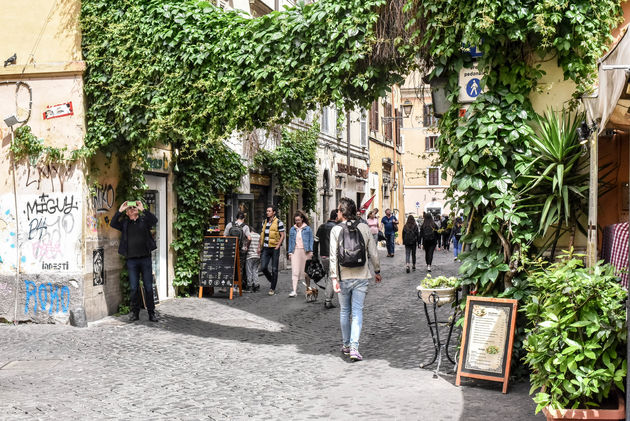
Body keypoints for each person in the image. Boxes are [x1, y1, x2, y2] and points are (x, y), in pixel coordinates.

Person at [330, 197, 381, 361]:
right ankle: (354, 347)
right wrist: (377, 270)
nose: (337, 212)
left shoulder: (336, 230)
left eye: (338, 210)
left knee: (345, 311)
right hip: (361, 275)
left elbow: (333, 257)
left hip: (343, 276)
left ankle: (346, 345)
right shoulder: (364, 228)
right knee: (357, 311)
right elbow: (373, 252)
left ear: (343, 212)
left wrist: (333, 278)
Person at [110, 200, 158, 322]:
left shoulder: (144, 220)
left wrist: (142, 209)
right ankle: (134, 313)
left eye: (134, 208)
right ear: (127, 213)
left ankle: (151, 313)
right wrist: (120, 209)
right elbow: (113, 223)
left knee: (148, 287)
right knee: (133, 288)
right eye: (129, 209)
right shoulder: (125, 223)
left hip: (145, 259)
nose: (132, 209)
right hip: (132, 261)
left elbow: (154, 220)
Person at [314, 210, 339, 309]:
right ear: (336, 217)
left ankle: (328, 294)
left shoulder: (321, 226)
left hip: (323, 255)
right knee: (331, 277)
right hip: (333, 256)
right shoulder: (337, 228)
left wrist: (315, 255)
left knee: (329, 275)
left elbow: (315, 242)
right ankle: (328, 299)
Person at [259, 205, 285, 296]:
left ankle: (272, 288)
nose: (267, 212)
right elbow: (262, 235)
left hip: (274, 248)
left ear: (274, 212)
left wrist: (278, 245)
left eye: (269, 211)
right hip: (266, 248)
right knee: (263, 267)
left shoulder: (279, 222)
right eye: (267, 211)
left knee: (274, 269)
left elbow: (282, 235)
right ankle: (272, 279)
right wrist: (259, 247)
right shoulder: (264, 222)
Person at [287, 210, 314, 297]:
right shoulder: (292, 229)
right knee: (295, 271)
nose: (297, 222)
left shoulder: (308, 229)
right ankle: (294, 291)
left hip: (305, 251)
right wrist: (290, 252)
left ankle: (308, 288)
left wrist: (311, 251)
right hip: (295, 252)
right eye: (296, 220)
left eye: (298, 220)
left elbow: (311, 240)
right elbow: (290, 241)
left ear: (302, 219)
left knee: (306, 272)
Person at [224, 211, 251, 290]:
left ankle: (227, 286)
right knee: (240, 268)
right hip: (241, 250)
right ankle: (237, 286)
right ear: (244, 218)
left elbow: (224, 236)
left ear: (236, 218)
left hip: (230, 249)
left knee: (230, 267)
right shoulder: (245, 226)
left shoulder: (229, 225)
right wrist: (246, 246)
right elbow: (249, 238)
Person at [246, 227, 261, 292]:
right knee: (255, 270)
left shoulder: (249, 236)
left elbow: (246, 246)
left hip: (250, 256)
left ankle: (250, 286)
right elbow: (260, 245)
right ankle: (256, 285)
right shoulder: (258, 235)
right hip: (257, 256)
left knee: (249, 271)